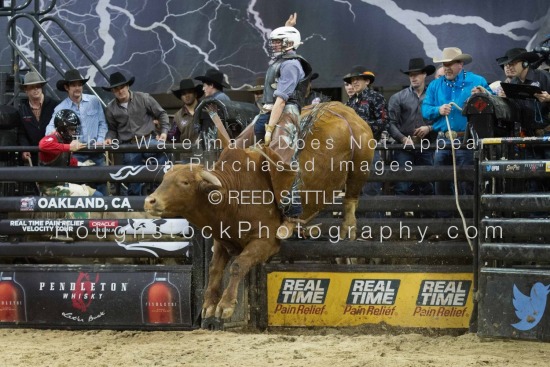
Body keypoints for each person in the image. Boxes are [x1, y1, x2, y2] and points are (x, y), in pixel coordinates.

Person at [421, 47, 492, 217]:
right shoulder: (435, 85)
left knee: (467, 183)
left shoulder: (477, 81)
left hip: (465, 140)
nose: (446, 67)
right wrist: (438, 110)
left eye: (450, 64)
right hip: (443, 140)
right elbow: (425, 110)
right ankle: (444, 225)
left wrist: (484, 95)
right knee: (441, 182)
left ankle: (468, 223)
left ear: (460, 64)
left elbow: (493, 103)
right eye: (444, 64)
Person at [103, 71, 170, 195]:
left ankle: (163, 194)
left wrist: (164, 132)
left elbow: (162, 114)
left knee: (162, 163)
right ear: (112, 91)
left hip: (148, 139)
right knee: (133, 179)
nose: (120, 91)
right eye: (116, 89)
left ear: (128, 86)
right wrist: (109, 138)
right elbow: (112, 129)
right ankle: (135, 207)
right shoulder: (110, 108)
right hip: (129, 144)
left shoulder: (143, 98)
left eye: (122, 87)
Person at [46, 68, 108, 195]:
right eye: (73, 85)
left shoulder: (94, 101)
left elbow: (102, 124)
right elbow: (50, 129)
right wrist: (55, 135)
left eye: (79, 84)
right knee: (79, 189)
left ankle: (104, 214)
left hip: (96, 151)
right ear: (66, 87)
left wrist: (100, 141)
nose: (77, 88)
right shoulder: (60, 108)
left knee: (101, 183)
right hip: (76, 153)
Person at [497, 47, 550, 192]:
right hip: (527, 138)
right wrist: (504, 100)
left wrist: (549, 98)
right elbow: (514, 113)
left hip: (547, 135)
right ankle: (534, 214)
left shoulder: (543, 77)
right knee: (532, 180)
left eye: (513, 63)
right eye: (507, 64)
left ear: (525, 63)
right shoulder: (511, 85)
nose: (509, 67)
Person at [387, 58, 435, 202]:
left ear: (424, 74)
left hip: (427, 145)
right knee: (402, 185)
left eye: (417, 74)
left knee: (427, 184)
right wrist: (402, 139)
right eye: (411, 74)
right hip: (404, 146)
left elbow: (441, 120)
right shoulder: (398, 97)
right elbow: (390, 123)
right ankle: (402, 221)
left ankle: (427, 220)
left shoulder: (433, 97)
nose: (413, 77)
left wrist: (429, 127)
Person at [343, 66, 388, 207]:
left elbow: (383, 121)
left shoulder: (376, 97)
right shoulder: (350, 102)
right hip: (352, 150)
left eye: (357, 80)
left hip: (369, 148)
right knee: (354, 190)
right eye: (352, 81)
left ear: (367, 81)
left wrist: (359, 127)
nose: (354, 83)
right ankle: (360, 225)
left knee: (371, 188)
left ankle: (375, 225)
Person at [38, 109, 100, 197]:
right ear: (63, 129)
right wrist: (69, 147)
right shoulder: (52, 138)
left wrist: (81, 164)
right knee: (95, 196)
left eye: (75, 129)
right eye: (71, 129)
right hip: (50, 187)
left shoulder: (65, 140)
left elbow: (66, 160)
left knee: (95, 191)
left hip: (61, 182)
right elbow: (42, 145)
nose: (74, 132)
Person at [17, 71, 59, 167]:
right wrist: (25, 149)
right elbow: (22, 133)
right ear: (25, 90)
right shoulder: (22, 110)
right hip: (33, 155)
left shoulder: (54, 105)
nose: (36, 89)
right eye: (31, 87)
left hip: (53, 154)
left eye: (38, 86)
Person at [169, 78, 204, 144]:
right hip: (186, 152)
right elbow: (173, 137)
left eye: (190, 92)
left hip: (206, 152)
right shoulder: (178, 116)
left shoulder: (206, 110)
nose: (187, 96)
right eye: (183, 93)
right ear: (181, 97)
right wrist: (161, 130)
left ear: (195, 94)